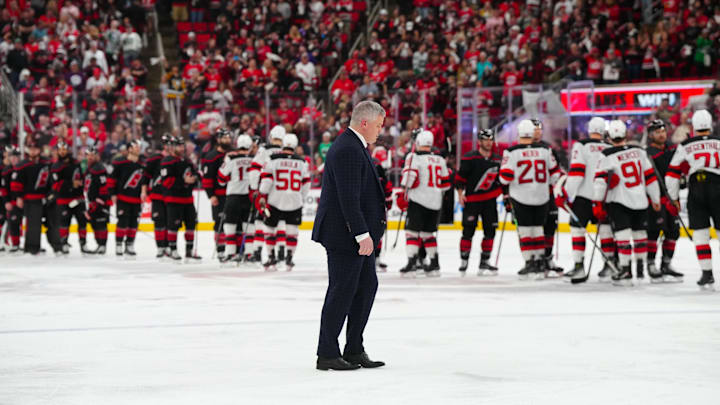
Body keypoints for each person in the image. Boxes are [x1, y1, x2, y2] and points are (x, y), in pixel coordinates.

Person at [313, 100, 387, 371]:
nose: (380, 131)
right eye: (378, 125)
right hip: (345, 236)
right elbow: (348, 197)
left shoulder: (355, 147)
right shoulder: (347, 149)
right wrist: (361, 233)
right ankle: (327, 353)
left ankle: (354, 348)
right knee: (342, 290)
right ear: (364, 123)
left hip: (355, 236)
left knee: (366, 286)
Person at [593, 120, 662, 286]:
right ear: (625, 135)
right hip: (640, 200)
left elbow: (600, 181)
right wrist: (655, 198)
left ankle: (625, 270)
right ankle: (640, 270)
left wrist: (597, 202)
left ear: (609, 137)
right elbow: (650, 176)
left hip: (619, 201)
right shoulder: (639, 151)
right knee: (640, 236)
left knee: (622, 237)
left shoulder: (606, 155)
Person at [499, 119, 561, 279]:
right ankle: (540, 262)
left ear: (519, 133)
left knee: (526, 231)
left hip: (521, 196)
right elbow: (555, 174)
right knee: (539, 229)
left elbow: (505, 178)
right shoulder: (545, 150)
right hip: (542, 197)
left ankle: (530, 263)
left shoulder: (511, 152)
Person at [665, 110, 720, 290]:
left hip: (697, 188)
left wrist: (673, 198)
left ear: (694, 126)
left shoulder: (686, 145)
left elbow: (672, 174)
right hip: (718, 187)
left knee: (700, 233)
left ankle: (707, 273)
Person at [557, 117, 614, 282]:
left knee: (577, 230)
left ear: (589, 130)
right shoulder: (610, 148)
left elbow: (576, 173)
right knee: (605, 231)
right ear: (604, 131)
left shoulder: (581, 146)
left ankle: (579, 266)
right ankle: (609, 266)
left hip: (583, 197)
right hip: (603, 197)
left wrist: (566, 194)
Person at [396, 130, 451, 277]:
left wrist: (403, 192)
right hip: (436, 202)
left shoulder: (413, 157)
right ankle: (434, 264)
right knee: (428, 233)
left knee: (411, 233)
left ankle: (412, 263)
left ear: (418, 142)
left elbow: (409, 179)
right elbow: (446, 184)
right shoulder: (439, 159)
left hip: (418, 200)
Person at [257, 134, 310, 271]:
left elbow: (266, 180)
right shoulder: (303, 162)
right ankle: (289, 258)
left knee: (270, 229)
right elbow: (306, 184)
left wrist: (263, 193)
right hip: (295, 201)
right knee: (292, 231)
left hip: (275, 199)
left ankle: (271, 257)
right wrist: (300, 197)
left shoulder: (272, 159)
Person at [454, 129, 502, 276]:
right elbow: (460, 178)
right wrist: (460, 195)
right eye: (485, 139)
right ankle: (464, 261)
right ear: (479, 142)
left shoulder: (497, 159)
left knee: (490, 232)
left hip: (490, 201)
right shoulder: (470, 158)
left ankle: (485, 262)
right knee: (468, 232)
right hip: (472, 201)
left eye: (490, 139)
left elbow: (502, 180)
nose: (488, 142)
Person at [644, 119, 684, 282]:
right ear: (651, 135)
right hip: (656, 199)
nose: (661, 134)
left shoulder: (671, 150)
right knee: (653, 232)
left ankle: (666, 264)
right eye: (657, 132)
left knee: (673, 232)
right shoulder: (648, 153)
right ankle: (651, 264)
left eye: (663, 131)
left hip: (670, 198)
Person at [11, 138, 59, 255]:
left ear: (39, 150)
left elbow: (53, 180)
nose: (33, 151)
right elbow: (16, 184)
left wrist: (52, 192)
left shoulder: (47, 163)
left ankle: (58, 246)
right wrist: (19, 197)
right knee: (33, 224)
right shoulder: (22, 165)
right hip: (31, 199)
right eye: (31, 149)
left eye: (35, 149)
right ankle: (32, 247)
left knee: (53, 222)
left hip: (47, 198)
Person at [247, 125, 285, 262]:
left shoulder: (264, 150)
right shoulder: (285, 151)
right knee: (280, 220)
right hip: (281, 191)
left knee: (260, 220)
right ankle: (281, 250)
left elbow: (254, 169)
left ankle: (257, 251)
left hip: (265, 189)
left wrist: (254, 188)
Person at [531, 118, 564, 276]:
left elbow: (556, 171)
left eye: (539, 129)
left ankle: (548, 258)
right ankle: (535, 260)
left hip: (548, 194)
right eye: (534, 129)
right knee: (534, 228)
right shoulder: (520, 149)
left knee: (550, 226)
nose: (537, 132)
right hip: (530, 195)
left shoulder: (548, 148)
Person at [162, 136, 202, 262]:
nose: (181, 148)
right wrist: (183, 180)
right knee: (173, 226)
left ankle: (189, 251)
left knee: (191, 224)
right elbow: (166, 181)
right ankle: (173, 249)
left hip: (188, 199)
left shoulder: (187, 161)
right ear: (172, 147)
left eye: (182, 145)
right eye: (178, 145)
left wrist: (195, 178)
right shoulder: (167, 161)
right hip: (174, 199)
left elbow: (196, 173)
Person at [217, 134, 254, 263]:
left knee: (230, 226)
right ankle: (249, 254)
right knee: (248, 228)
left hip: (233, 196)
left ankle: (230, 253)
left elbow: (221, 178)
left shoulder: (231, 158)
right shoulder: (255, 159)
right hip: (249, 197)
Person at [50, 141, 90, 255]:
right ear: (58, 151)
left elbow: (84, 177)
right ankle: (64, 244)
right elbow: (55, 185)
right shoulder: (55, 166)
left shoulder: (77, 163)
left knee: (82, 222)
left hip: (78, 198)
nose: (63, 152)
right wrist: (71, 184)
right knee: (64, 223)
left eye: (64, 149)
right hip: (63, 199)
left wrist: (82, 182)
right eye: (60, 150)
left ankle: (83, 244)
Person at [109, 139, 147, 257]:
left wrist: (144, 192)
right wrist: (113, 194)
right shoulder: (119, 163)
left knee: (133, 223)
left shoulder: (142, 164)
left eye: (139, 146)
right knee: (122, 222)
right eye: (135, 146)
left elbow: (145, 181)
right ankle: (119, 244)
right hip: (123, 197)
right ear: (129, 149)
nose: (138, 148)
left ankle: (130, 244)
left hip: (136, 199)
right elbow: (111, 180)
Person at [202, 128, 232, 260]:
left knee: (231, 222)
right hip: (219, 196)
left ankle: (232, 249)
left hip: (232, 194)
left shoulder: (232, 154)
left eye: (228, 137)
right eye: (224, 138)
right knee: (219, 222)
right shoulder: (211, 156)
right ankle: (220, 249)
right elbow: (207, 179)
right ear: (219, 140)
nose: (227, 140)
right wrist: (211, 195)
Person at [146, 135, 172, 259]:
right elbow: (146, 176)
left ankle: (168, 246)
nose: (168, 145)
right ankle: (160, 247)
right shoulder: (155, 159)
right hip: (157, 195)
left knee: (169, 222)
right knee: (159, 222)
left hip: (171, 196)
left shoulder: (175, 159)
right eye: (166, 143)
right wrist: (143, 191)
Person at [84, 146, 111, 254]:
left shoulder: (100, 168)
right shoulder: (89, 168)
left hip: (100, 201)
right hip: (92, 201)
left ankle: (102, 245)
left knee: (101, 223)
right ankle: (99, 244)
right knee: (93, 222)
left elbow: (104, 186)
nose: (90, 157)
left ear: (96, 156)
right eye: (88, 155)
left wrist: (100, 201)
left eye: (92, 155)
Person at [2, 146, 21, 253]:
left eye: (16, 157)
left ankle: (31, 244)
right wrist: (7, 201)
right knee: (13, 222)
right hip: (12, 202)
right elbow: (3, 188)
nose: (14, 159)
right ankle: (14, 244)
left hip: (24, 200)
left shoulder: (22, 168)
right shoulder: (6, 171)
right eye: (12, 157)